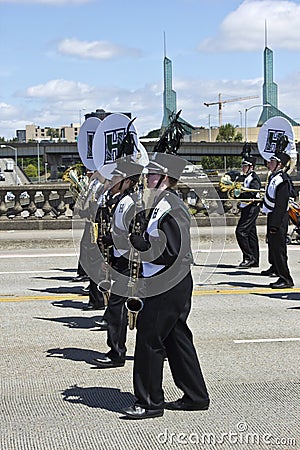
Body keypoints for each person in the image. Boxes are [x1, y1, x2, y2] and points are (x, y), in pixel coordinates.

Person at [121, 152, 210, 420]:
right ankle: (196, 396)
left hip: (168, 283)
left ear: (165, 178)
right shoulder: (159, 204)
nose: (147, 178)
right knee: (176, 338)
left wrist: (143, 247)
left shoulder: (171, 207)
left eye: (152, 175)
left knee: (149, 339)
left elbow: (172, 251)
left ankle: (149, 403)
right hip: (166, 281)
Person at [92, 157, 145, 368]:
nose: (112, 180)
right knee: (137, 310)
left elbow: (136, 233)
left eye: (117, 177)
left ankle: (116, 353)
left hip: (131, 263)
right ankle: (163, 347)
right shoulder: (119, 200)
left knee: (118, 308)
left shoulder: (131, 203)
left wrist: (113, 241)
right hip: (121, 259)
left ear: (127, 181)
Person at [261, 152, 294, 289]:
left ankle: (286, 278)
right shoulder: (275, 177)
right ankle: (276, 269)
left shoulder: (283, 180)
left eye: (272, 162)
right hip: (273, 216)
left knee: (279, 249)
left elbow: (281, 204)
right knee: (273, 247)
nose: (269, 164)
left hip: (279, 219)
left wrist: (274, 225)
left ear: (279, 164)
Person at [235, 156, 261, 268]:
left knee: (240, 232)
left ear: (251, 167)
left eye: (245, 166)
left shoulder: (254, 178)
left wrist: (239, 194)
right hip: (246, 207)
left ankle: (248, 257)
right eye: (243, 166)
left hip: (252, 207)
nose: (243, 168)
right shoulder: (247, 177)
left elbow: (253, 193)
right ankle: (254, 259)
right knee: (251, 234)